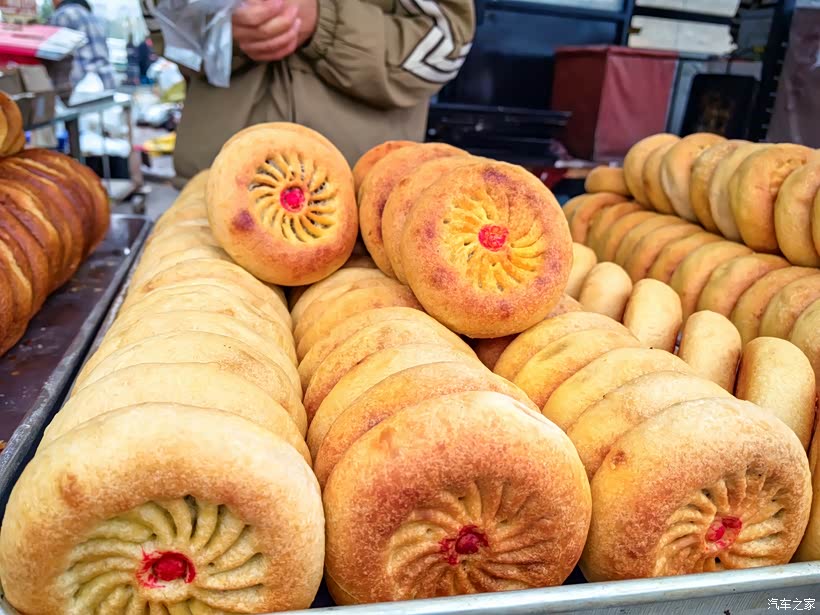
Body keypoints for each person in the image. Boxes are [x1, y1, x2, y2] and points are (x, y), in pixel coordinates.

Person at [166, 0, 475, 183]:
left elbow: (446, 43)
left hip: (362, 200)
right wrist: (218, 28)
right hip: (213, 186)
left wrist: (323, 22)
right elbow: (160, 23)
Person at [49, 0, 118, 92]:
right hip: (106, 81)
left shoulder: (61, 15)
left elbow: (54, 55)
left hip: (80, 86)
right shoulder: (92, 16)